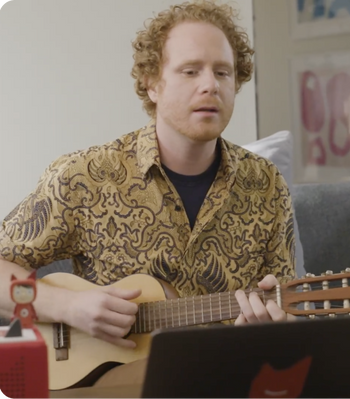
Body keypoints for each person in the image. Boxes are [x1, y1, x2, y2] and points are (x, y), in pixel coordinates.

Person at [0, 0, 296, 351]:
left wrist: (273, 328)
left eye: (222, 72)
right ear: (152, 83)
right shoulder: (84, 178)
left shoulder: (266, 184)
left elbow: (288, 301)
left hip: (226, 376)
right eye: (190, 71)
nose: (210, 85)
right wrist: (67, 306)